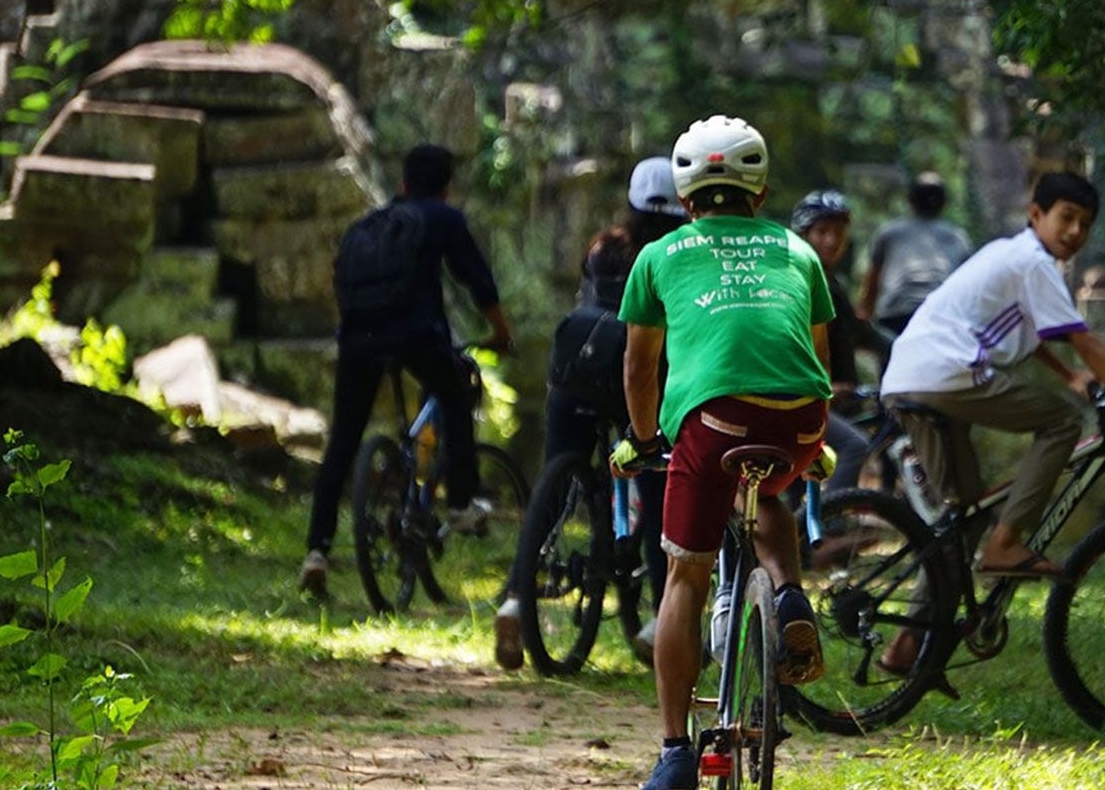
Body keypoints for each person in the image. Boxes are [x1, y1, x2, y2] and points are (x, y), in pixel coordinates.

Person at [876, 171, 1105, 671]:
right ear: (1035, 215)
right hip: (946, 373)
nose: (1075, 231)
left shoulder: (1012, 256)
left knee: (963, 516)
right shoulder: (1034, 262)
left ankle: (906, 649)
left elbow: (1028, 329)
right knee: (1061, 422)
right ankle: (1008, 541)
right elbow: (1085, 339)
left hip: (916, 376)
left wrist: (1067, 375)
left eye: (1085, 223)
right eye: (1066, 217)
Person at [609, 115, 832, 790]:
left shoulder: (659, 256)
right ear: (759, 195)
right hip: (799, 420)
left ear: (686, 200)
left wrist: (645, 439)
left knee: (685, 576)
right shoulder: (799, 252)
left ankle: (675, 751)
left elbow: (639, 368)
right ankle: (790, 596)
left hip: (712, 424)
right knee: (767, 490)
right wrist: (814, 447)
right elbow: (817, 357)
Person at [492, 157, 685, 671]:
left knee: (557, 481)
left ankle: (516, 596)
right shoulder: (677, 255)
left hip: (576, 368)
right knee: (658, 487)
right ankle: (659, 619)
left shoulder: (604, 246)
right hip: (638, 379)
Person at [299, 144, 514, 600]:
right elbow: (475, 278)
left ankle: (316, 551)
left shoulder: (369, 225)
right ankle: (458, 504)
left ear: (402, 184)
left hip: (359, 337)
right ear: (447, 186)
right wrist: (500, 332)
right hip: (414, 334)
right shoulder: (443, 218)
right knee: (455, 391)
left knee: (343, 438)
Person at [790, 189, 876, 493]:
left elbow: (863, 334)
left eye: (838, 232)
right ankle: (832, 527)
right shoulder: (799, 282)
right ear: (803, 234)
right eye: (822, 232)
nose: (831, 240)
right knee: (854, 446)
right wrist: (823, 389)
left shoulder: (831, 284)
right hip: (806, 397)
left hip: (834, 396)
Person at [857, 170, 972, 335]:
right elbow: (965, 286)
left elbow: (872, 283)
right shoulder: (958, 237)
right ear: (944, 202)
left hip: (895, 316)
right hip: (941, 317)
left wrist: (862, 319)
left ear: (910, 200)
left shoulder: (889, 232)